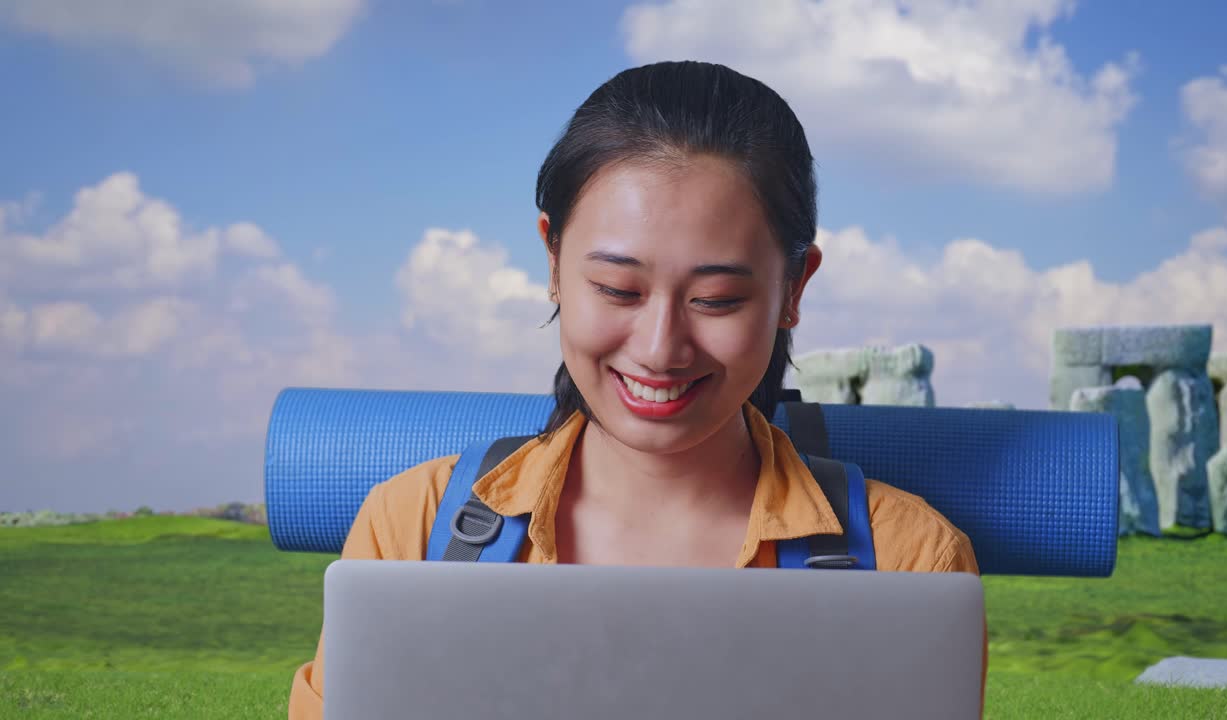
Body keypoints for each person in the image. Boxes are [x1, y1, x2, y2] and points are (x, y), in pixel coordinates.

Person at [288, 60, 986, 719]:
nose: (659, 349)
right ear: (553, 262)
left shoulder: (912, 562)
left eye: (716, 299)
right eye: (618, 288)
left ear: (794, 288)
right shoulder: (412, 529)